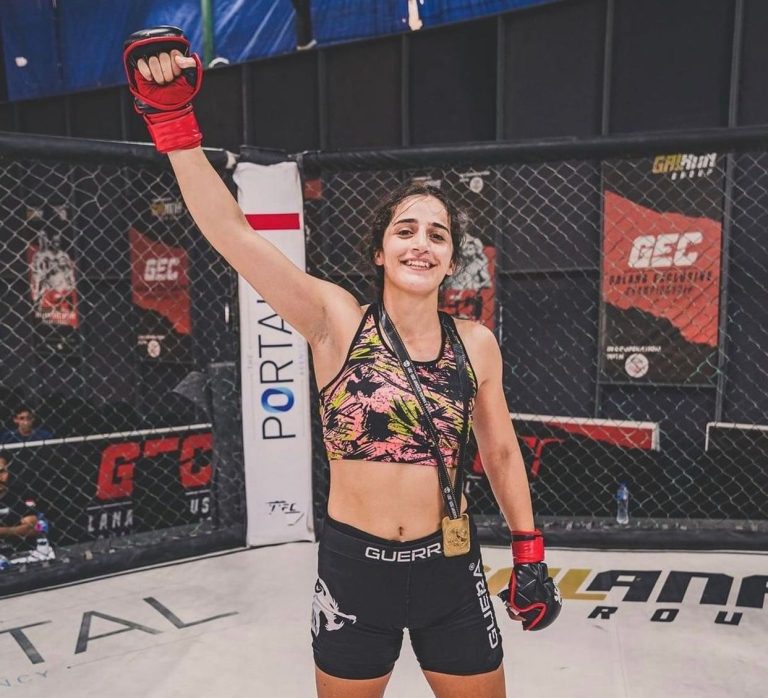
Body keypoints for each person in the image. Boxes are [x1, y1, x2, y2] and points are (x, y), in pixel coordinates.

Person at [123, 27, 560, 697]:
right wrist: (174, 124)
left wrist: (529, 551)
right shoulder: (335, 320)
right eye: (405, 230)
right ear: (380, 252)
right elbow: (233, 235)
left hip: (449, 568)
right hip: (356, 573)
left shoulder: (476, 343)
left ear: (452, 259)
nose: (421, 244)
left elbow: (500, 453)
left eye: (437, 234)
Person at [0, 451, 41, 565]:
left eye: (1, 472)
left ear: (8, 472)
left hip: (21, 553)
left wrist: (2, 531)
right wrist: (17, 529)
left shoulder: (22, 494)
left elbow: (33, 528)